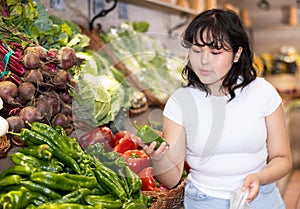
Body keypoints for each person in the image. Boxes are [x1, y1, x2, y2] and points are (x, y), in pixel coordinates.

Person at [139, 9, 292, 209]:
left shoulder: (262, 92)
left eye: (215, 52)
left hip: (261, 198)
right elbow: (171, 179)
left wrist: (259, 177)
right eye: (197, 50)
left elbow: (283, 159)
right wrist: (158, 158)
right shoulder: (180, 102)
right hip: (203, 202)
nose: (203, 60)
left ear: (237, 54)